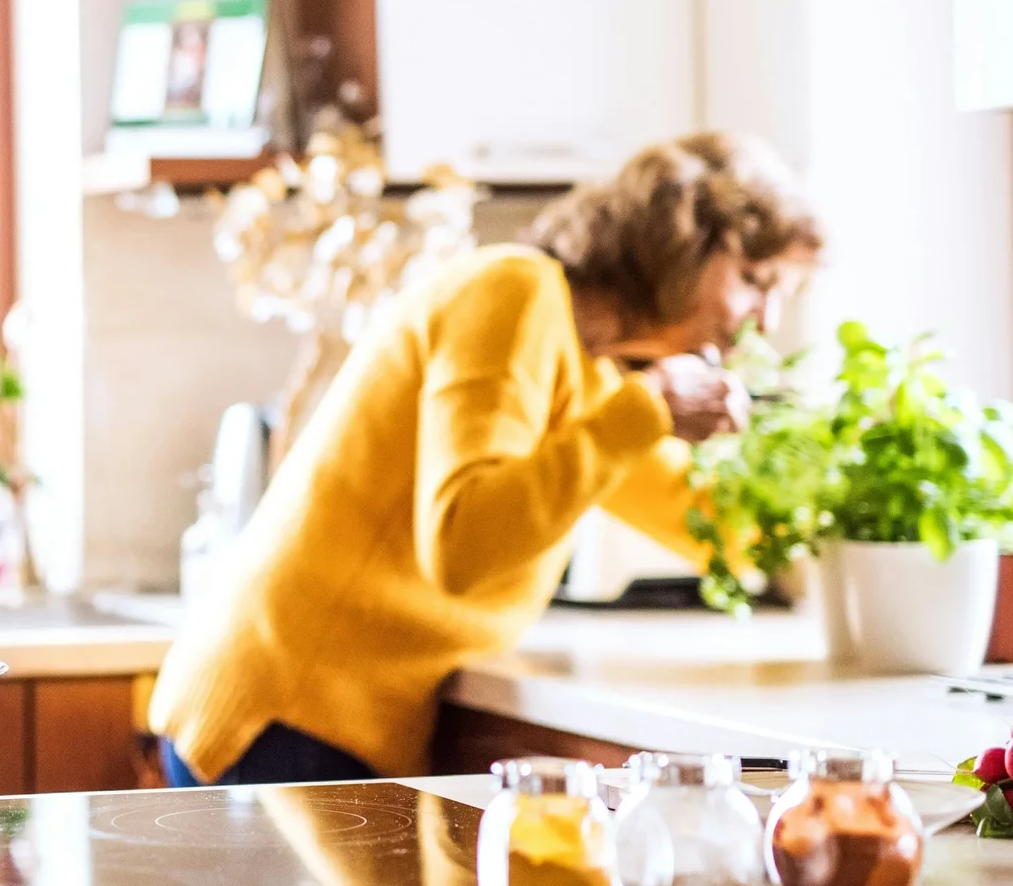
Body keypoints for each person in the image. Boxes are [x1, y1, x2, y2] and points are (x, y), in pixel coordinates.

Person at [147, 132, 820, 787]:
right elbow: (462, 543)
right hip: (282, 713)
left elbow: (713, 522)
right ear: (685, 247)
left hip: (311, 720)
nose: (763, 317)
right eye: (756, 279)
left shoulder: (595, 379)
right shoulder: (513, 291)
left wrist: (840, 501)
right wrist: (648, 409)